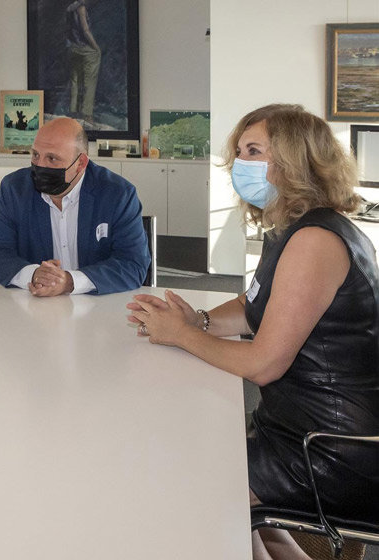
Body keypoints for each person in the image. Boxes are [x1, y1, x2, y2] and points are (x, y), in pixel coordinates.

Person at [126, 104, 379, 559]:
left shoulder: (315, 241)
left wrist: (180, 335)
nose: (240, 163)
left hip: (330, 450)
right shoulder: (292, 227)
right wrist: (196, 322)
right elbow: (251, 306)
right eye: (241, 151)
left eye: (254, 151)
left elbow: (263, 364)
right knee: (219, 485)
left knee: (188, 487)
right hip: (297, 427)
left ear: (294, 160)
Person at [0, 117, 150, 296]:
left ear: (81, 163)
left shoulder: (118, 194)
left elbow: (133, 264)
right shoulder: (14, 190)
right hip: (33, 306)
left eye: (52, 158)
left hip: (97, 308)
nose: (40, 165)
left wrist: (70, 282)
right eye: (36, 155)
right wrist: (35, 274)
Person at [66, 0, 101, 122]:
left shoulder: (70, 8)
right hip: (84, 48)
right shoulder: (81, 8)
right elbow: (85, 30)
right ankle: (87, 114)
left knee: (75, 80)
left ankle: (73, 111)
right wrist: (96, 47)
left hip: (72, 48)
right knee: (89, 80)